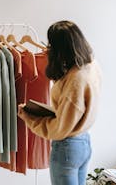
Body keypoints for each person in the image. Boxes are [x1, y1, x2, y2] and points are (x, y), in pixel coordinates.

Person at [18, 20, 102, 185]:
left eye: (51, 44)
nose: (48, 47)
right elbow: (74, 112)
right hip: (84, 142)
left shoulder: (75, 81)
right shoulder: (90, 65)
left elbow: (59, 129)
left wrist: (29, 117)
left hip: (67, 147)